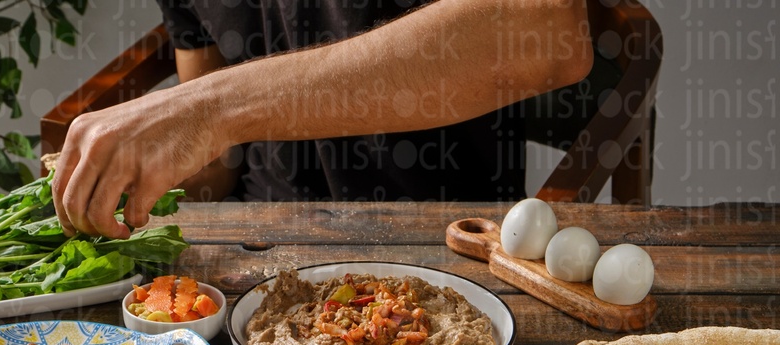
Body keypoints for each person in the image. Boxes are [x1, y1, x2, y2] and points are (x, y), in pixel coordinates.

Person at [53, 0, 593, 239]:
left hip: (444, 243)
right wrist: (124, 183)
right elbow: (217, 165)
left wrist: (209, 107)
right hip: (259, 252)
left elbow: (547, 30)